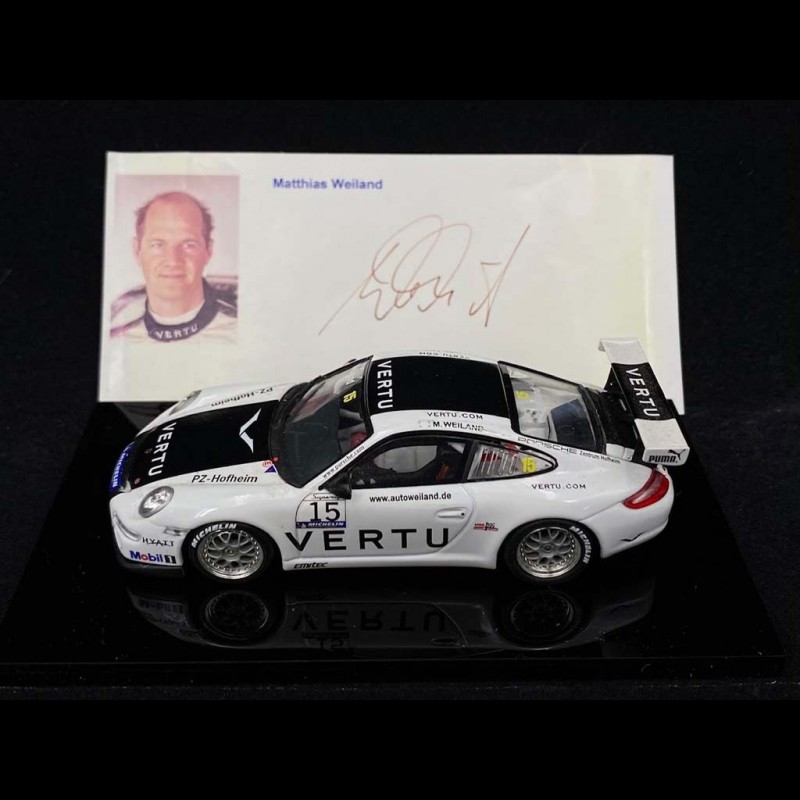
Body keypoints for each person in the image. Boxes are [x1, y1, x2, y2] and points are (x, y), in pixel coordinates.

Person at [110, 191, 237, 342]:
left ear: (208, 250)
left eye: (188, 245)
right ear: (137, 250)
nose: (173, 260)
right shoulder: (115, 340)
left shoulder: (239, 333)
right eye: (158, 245)